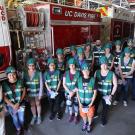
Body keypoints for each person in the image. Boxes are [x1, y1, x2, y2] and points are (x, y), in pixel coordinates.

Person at [94, 56, 117, 126]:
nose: (104, 66)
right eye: (102, 64)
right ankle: (94, 114)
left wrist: (111, 95)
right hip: (98, 93)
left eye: (105, 64)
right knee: (96, 104)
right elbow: (93, 83)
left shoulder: (111, 74)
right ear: (100, 65)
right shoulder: (96, 72)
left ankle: (103, 120)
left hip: (107, 95)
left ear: (107, 64)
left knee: (105, 108)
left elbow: (115, 85)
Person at [2, 66, 26, 135]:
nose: (12, 76)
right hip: (10, 105)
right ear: (7, 76)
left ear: (16, 74)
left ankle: (22, 126)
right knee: (15, 118)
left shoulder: (20, 81)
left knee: (22, 118)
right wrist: (13, 105)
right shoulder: (4, 84)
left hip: (21, 103)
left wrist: (19, 103)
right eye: (10, 75)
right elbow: (4, 97)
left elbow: (24, 91)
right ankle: (18, 129)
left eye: (14, 74)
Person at [76, 63, 97, 133]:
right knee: (83, 115)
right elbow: (77, 92)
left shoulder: (93, 80)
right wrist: (79, 102)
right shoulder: (78, 80)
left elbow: (95, 93)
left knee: (90, 116)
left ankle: (89, 124)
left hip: (90, 103)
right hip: (81, 103)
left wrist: (91, 103)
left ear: (90, 71)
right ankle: (85, 123)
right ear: (82, 71)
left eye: (87, 70)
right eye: (84, 70)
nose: (86, 71)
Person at [22, 58, 43, 125]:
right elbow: (23, 84)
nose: (31, 67)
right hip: (29, 93)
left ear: (35, 65)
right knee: (32, 105)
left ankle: (39, 116)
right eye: (30, 65)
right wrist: (25, 95)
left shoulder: (39, 73)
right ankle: (34, 116)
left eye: (33, 65)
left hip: (37, 93)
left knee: (38, 104)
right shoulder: (24, 73)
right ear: (27, 66)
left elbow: (41, 84)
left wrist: (40, 94)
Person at [63, 58, 80, 124]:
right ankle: (71, 114)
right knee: (69, 104)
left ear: (75, 65)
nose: (72, 66)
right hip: (68, 93)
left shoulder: (78, 73)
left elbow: (79, 85)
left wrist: (73, 92)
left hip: (76, 93)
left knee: (76, 105)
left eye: (73, 65)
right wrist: (69, 92)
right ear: (69, 66)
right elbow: (64, 84)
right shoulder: (66, 73)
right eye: (70, 65)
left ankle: (76, 115)